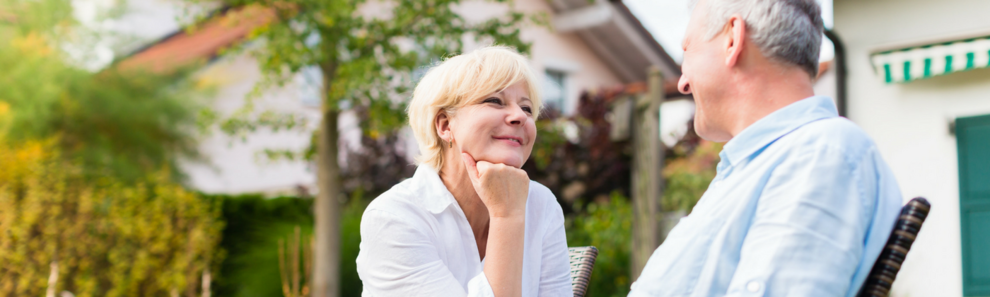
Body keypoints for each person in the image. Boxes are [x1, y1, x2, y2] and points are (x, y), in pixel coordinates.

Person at [628, 0, 903, 296]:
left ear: (733, 38)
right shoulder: (756, 168)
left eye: (687, 50)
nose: (683, 82)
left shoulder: (819, 153)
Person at [356, 46, 572, 297]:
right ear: (446, 125)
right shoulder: (393, 218)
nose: (519, 116)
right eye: (495, 101)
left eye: (526, 108)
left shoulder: (541, 204)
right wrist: (507, 217)